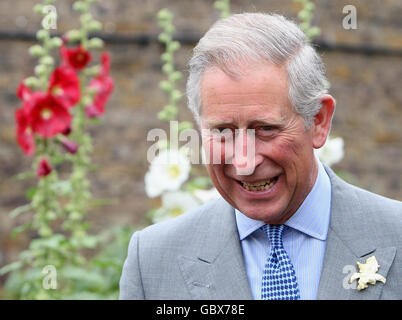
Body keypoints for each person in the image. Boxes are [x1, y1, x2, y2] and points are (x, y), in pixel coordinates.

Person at [119, 13, 402, 300]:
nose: (244, 163)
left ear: (318, 121)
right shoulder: (153, 262)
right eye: (223, 131)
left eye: (265, 129)